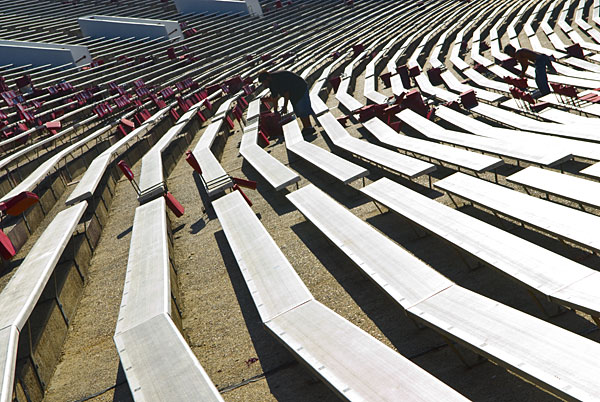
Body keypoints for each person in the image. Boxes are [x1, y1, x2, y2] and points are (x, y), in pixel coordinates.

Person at [258, 70, 316, 135]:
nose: (263, 84)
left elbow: (286, 93)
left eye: (264, 82)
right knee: (298, 110)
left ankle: (309, 127)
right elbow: (275, 98)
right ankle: (306, 127)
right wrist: (275, 111)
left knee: (302, 109)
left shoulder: (278, 79)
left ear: (267, 78)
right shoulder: (271, 83)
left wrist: (285, 107)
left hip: (300, 89)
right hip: (293, 92)